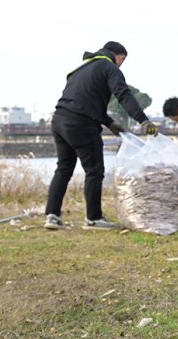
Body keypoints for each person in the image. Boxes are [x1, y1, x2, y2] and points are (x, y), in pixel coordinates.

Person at [44, 41, 158, 231]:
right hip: (82, 124)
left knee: (63, 169)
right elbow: (124, 95)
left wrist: (109, 123)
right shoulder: (108, 66)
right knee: (94, 171)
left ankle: (52, 215)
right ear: (118, 55)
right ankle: (93, 218)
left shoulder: (82, 68)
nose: (121, 65)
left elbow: (85, 100)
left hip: (59, 120)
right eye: (122, 60)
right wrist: (143, 120)